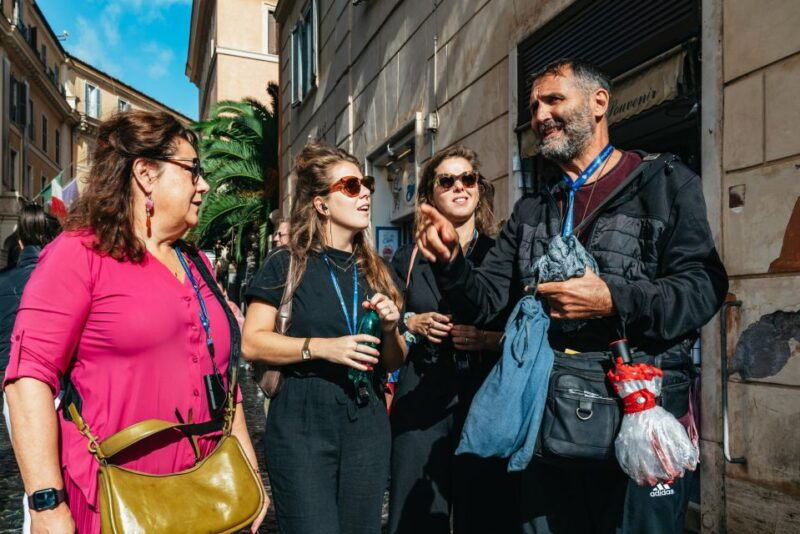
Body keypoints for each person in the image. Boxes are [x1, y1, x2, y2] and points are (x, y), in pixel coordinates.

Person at [416, 59, 728, 533]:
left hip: (638, 416)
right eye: (534, 106)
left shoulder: (664, 183)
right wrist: (451, 263)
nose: (539, 115)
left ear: (599, 103)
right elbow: (485, 303)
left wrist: (612, 299)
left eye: (553, 99)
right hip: (551, 423)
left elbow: (703, 287)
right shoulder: (533, 209)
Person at [3, 110, 268, 533]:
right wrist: (47, 507)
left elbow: (225, 380)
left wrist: (247, 466)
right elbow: (28, 379)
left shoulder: (196, 261)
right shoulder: (79, 254)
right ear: (145, 173)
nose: (204, 185)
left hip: (208, 494)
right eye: (192, 170)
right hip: (118, 499)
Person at [242, 141, 406, 534]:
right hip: (302, 417)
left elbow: (395, 360)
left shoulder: (377, 270)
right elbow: (252, 341)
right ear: (321, 204)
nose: (366, 191)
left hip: (365, 417)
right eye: (351, 186)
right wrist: (321, 348)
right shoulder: (286, 263)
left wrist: (389, 329)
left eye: (366, 183)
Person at [387, 145, 517, 533]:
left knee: (485, 514)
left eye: (468, 179)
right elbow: (386, 322)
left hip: (485, 399)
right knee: (415, 517)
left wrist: (485, 339)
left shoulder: (500, 257)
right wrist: (414, 321)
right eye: (448, 180)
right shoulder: (408, 258)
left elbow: (523, 334)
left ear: (478, 189)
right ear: (430, 195)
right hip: (422, 400)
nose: (460, 186)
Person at [0, 202, 60, 534]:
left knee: (33, 482)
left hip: (14, 392)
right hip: (59, 386)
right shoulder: (61, 278)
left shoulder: (4, 281)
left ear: (20, 242)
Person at [0, 202, 60, 385]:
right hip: (46, 381)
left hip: (5, 378)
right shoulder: (62, 282)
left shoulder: (3, 280)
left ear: (19, 243)